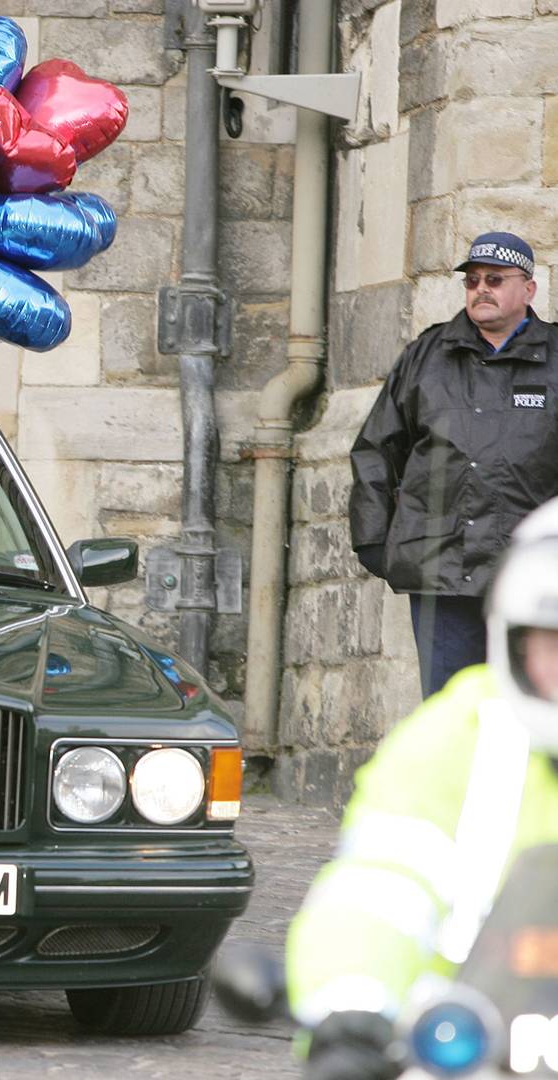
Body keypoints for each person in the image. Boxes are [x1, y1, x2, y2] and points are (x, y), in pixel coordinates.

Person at [284, 498, 558, 1080]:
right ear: (515, 637)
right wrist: (351, 1006)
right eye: (554, 640)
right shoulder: (462, 734)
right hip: (475, 1051)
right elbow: (381, 885)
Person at [349, 231, 558, 698]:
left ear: (528, 289)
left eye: (495, 279)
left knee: (528, 708)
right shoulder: (427, 355)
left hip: (533, 573)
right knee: (448, 710)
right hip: (440, 569)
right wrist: (372, 541)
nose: (481, 288)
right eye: (473, 280)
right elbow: (376, 450)